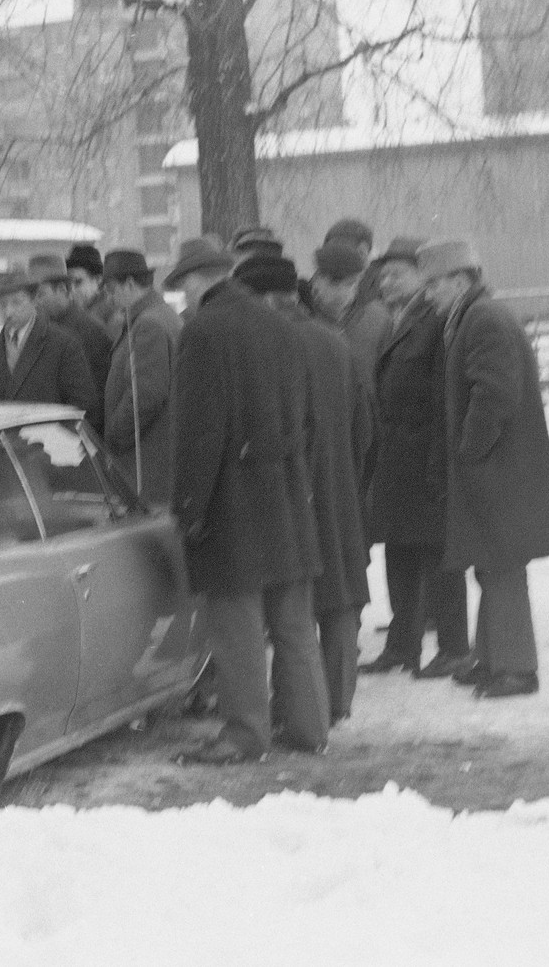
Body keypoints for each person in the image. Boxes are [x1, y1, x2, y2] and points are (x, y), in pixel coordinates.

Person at [165, 240, 327, 763]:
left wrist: (189, 510)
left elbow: (198, 434)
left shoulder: (204, 333)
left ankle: (244, 734)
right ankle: (309, 728)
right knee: (294, 626)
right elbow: (304, 420)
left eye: (182, 290)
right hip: (286, 500)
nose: (183, 301)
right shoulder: (282, 326)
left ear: (195, 282)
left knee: (237, 630)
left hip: (232, 509)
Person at [422, 241, 549, 699]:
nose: (426, 294)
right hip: (497, 468)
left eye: (433, 284)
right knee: (491, 565)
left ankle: (516, 669)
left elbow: (494, 394)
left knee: (502, 565)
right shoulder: (476, 316)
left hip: (497, 471)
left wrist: (469, 451)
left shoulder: (483, 318)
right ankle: (492, 660)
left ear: (461, 280)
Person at [235, 253, 373, 725]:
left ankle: (297, 705)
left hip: (293, 488)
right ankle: (336, 697)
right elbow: (364, 424)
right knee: (342, 594)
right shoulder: (336, 342)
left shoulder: (270, 344)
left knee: (295, 603)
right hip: (341, 484)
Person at [359, 239, 472, 678]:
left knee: (438, 556)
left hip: (424, 458)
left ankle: (454, 646)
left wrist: (437, 462)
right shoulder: (399, 319)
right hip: (395, 458)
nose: (386, 282)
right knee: (400, 554)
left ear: (423, 278)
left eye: (397, 274)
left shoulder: (434, 321)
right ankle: (401, 647)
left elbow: (443, 395)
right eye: (382, 275)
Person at [101, 246, 182, 505]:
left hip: (146, 464)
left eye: (112, 289)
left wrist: (112, 438)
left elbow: (146, 395)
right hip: (155, 459)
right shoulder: (161, 316)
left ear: (130, 283)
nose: (109, 298)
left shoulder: (148, 325)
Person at [0, 269, 96, 412]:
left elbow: (83, 407)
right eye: (2, 304)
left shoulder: (63, 346)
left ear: (34, 300)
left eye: (16, 302)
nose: (8, 312)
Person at [29, 254, 113, 434]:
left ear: (63, 290)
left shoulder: (89, 332)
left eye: (40, 294)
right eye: (31, 296)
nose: (35, 303)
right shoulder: (38, 331)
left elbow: (94, 404)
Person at [309, 241, 392, 393]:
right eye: (342, 284)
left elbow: (385, 379)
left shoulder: (378, 318)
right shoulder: (303, 319)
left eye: (354, 284)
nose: (349, 293)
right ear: (318, 280)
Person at [68, 243, 118, 331]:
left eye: (78, 282)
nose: (71, 289)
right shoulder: (76, 311)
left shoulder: (112, 315)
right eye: (68, 283)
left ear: (98, 281)